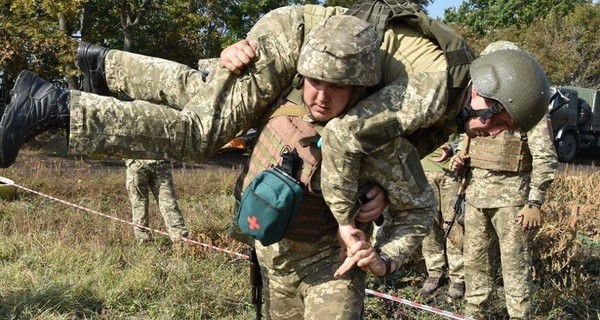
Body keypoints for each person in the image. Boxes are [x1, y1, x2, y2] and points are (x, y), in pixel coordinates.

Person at [0, 1, 551, 276]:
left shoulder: (451, 103)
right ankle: (56, 106)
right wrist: (344, 221)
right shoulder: (434, 90)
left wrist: (378, 199)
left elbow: (387, 151)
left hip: (326, 56)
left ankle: (104, 66)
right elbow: (344, 140)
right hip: (300, 44)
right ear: (486, 91)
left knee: (206, 93)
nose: (494, 132)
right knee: (202, 133)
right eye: (499, 119)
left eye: (504, 128)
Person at [231, 15, 416, 319]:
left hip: (331, 269)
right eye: (315, 81)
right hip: (273, 259)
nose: (321, 96)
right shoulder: (276, 98)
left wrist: (385, 259)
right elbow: (211, 91)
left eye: (338, 86)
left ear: (357, 89)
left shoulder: (376, 138)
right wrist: (232, 54)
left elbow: (418, 209)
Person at [449, 41, 558, 320]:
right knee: (474, 261)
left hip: (511, 200)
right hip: (475, 195)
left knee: (515, 267)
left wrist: (534, 201)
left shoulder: (527, 105)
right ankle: (475, 312)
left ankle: (520, 316)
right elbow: (467, 141)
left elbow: (545, 156)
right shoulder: (476, 102)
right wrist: (459, 160)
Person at [419, 137, 465, 299]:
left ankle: (458, 276)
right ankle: (434, 271)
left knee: (453, 224)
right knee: (429, 225)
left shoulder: (460, 110)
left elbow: (469, 132)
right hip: (423, 169)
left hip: (453, 172)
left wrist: (457, 150)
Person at [126, 159, 188, 243]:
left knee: (169, 203)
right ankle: (144, 243)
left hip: (159, 164)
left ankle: (181, 240)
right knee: (140, 205)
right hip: (138, 164)